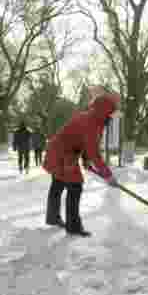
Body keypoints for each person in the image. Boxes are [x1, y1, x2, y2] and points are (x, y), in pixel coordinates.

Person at [43, 90, 120, 237]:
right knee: (75, 187)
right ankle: (73, 226)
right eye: (111, 113)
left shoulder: (91, 118)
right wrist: (108, 175)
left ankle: (53, 218)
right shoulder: (92, 123)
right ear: (104, 111)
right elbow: (94, 153)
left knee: (58, 184)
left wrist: (85, 159)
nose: (111, 117)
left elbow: (83, 142)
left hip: (60, 151)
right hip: (63, 154)